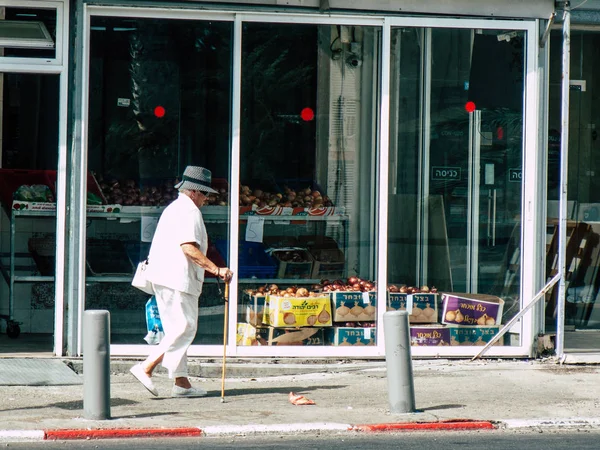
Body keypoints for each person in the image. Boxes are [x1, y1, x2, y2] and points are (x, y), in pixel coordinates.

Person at [130, 165, 233, 398]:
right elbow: (189, 247)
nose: (206, 198)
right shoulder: (189, 211)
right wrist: (216, 270)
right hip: (178, 278)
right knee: (183, 328)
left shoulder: (174, 208)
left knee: (175, 329)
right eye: (205, 193)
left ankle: (181, 383)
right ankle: (146, 367)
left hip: (165, 277)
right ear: (194, 191)